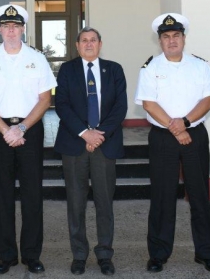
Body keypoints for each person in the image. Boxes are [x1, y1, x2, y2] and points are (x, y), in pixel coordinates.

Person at [134, 13, 210, 274]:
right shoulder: (151, 67)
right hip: (163, 138)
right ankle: (158, 254)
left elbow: (208, 101)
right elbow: (149, 103)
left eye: (176, 36)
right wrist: (176, 128)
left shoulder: (200, 65)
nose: (171, 41)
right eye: (166, 37)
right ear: (160, 41)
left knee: (199, 195)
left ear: (184, 38)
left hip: (194, 134)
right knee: (162, 196)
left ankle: (206, 253)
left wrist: (184, 123)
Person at [0, 4, 57, 275]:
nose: (11, 30)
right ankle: (6, 256)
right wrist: (6, 129)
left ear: (22, 29)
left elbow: (46, 99)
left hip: (30, 130)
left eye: (16, 26)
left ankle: (32, 255)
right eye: (6, 26)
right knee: (3, 195)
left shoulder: (37, 58)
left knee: (33, 195)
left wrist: (21, 129)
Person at [54, 27, 127, 276]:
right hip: (75, 144)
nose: (88, 44)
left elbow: (120, 107)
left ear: (100, 44)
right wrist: (85, 133)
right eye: (83, 40)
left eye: (93, 40)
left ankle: (105, 253)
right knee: (76, 203)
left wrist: (99, 134)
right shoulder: (66, 70)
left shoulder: (114, 69)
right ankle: (79, 255)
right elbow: (61, 104)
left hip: (105, 144)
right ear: (76, 45)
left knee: (104, 202)